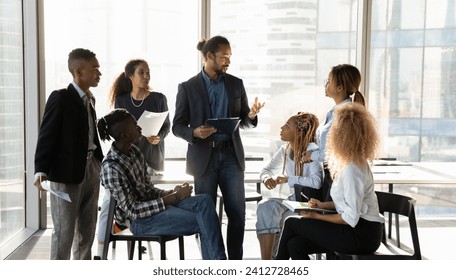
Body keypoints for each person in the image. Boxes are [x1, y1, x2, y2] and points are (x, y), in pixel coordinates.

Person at [172, 35, 265, 259]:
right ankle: (212, 263)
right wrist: (194, 132)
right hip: (204, 159)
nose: (228, 61)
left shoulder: (236, 84)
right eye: (224, 57)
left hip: (231, 156)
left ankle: (233, 264)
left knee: (238, 215)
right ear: (209, 56)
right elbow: (177, 126)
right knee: (207, 216)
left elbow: (243, 120)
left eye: (229, 57)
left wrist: (251, 115)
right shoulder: (187, 87)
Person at [97, 108, 227, 260]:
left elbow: (148, 190)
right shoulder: (111, 168)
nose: (140, 128)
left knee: (205, 201)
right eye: (135, 125)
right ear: (123, 135)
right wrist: (173, 197)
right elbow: (133, 210)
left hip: (154, 209)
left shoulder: (135, 152)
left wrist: (172, 193)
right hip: (140, 222)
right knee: (205, 220)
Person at [275, 102, 385, 259]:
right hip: (355, 229)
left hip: (361, 235)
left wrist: (317, 216)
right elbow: (350, 203)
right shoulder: (347, 162)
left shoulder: (352, 169)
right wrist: (323, 205)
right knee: (295, 245)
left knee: (292, 223)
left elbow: (350, 217)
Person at [33, 48, 103, 260]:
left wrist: (99, 162)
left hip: (91, 170)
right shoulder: (61, 98)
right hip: (66, 174)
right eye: (95, 68)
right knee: (64, 232)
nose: (99, 73)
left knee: (87, 232)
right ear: (78, 72)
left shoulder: (91, 99)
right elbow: (47, 135)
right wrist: (40, 170)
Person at [96, 59, 170, 257]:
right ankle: (102, 247)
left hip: (151, 157)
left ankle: (134, 229)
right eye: (141, 73)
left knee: (145, 196)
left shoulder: (158, 98)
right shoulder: (122, 100)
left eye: (148, 72)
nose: (147, 76)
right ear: (130, 76)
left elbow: (166, 125)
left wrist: (159, 137)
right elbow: (120, 128)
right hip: (127, 158)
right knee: (111, 203)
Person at [256, 112, 323, 260]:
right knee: (265, 207)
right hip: (294, 201)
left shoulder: (312, 151)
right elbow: (266, 170)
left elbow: (316, 182)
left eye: (286, 126)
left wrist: (288, 179)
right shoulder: (286, 150)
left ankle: (277, 260)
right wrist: (267, 178)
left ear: (298, 132)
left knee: (282, 217)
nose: (281, 128)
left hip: (310, 204)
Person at [301, 64, 366, 201]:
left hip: (339, 175)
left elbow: (338, 151)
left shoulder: (347, 115)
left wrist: (312, 155)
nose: (326, 84)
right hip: (330, 174)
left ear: (340, 88)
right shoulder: (334, 112)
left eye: (329, 81)